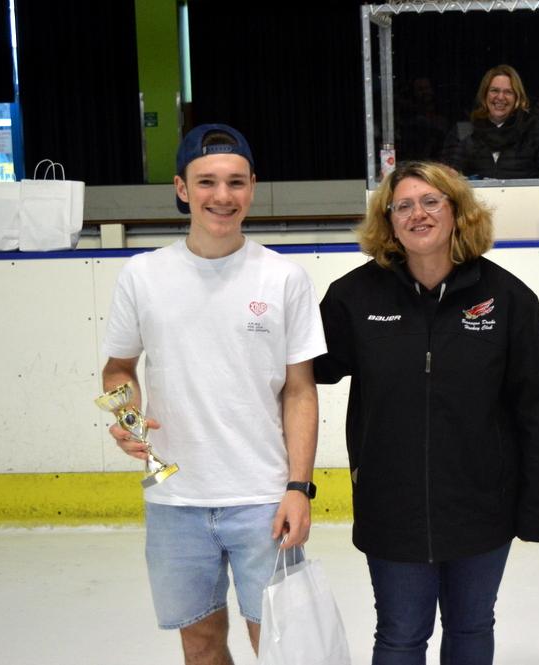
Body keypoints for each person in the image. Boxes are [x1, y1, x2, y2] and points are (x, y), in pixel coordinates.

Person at [314, 160, 539, 665]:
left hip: (482, 505)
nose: (416, 214)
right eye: (402, 205)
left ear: (457, 212)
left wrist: (537, 506)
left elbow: (535, 409)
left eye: (430, 202)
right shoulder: (354, 297)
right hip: (391, 507)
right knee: (401, 633)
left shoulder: (508, 299)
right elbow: (309, 369)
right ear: (388, 219)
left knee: (471, 628)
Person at [100, 123, 326, 665]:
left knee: (277, 646)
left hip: (263, 500)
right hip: (174, 501)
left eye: (235, 182)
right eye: (206, 182)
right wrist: (126, 416)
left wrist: (299, 486)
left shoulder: (284, 278)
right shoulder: (143, 275)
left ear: (251, 187)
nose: (221, 197)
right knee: (199, 644)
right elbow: (117, 369)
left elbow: (300, 391)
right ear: (182, 188)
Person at [441, 64, 539, 179]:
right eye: (494, 90)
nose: (500, 97)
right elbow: (451, 170)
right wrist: (449, 173)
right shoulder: (464, 131)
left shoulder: (534, 130)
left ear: (517, 98)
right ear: (484, 94)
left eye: (508, 92)